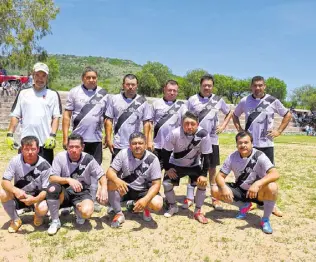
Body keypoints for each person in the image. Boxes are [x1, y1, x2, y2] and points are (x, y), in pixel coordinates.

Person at [233, 75, 292, 216]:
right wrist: (240, 130)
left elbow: (287, 114)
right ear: (251, 87)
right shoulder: (244, 101)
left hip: (267, 145)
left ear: (264, 86)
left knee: (268, 175)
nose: (258, 88)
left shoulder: (273, 101)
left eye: (260, 85)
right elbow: (235, 115)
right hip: (250, 146)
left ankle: (271, 204)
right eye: (255, 85)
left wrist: (278, 130)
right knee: (249, 175)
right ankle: (252, 202)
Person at [213, 131, 279, 234]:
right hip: (241, 190)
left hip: (258, 192)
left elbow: (275, 174)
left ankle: (265, 220)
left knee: (273, 187)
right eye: (240, 143)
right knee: (215, 190)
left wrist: (258, 184)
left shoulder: (260, 156)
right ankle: (244, 205)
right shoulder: (232, 157)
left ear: (252, 143)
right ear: (236, 144)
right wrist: (223, 187)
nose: (243, 145)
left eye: (246, 142)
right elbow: (219, 176)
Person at [62, 67, 109, 211]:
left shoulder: (104, 94)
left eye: (94, 77)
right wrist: (65, 137)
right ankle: (69, 199)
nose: (91, 80)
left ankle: (92, 199)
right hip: (77, 139)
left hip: (95, 139)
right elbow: (67, 116)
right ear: (83, 78)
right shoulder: (74, 92)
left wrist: (108, 136)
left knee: (94, 170)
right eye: (88, 77)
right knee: (73, 170)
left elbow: (107, 118)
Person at [46, 134, 108, 235]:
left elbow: (101, 175)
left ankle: (76, 208)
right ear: (67, 146)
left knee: (87, 212)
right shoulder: (60, 157)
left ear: (82, 147)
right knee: (52, 188)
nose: (74, 150)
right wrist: (68, 180)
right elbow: (52, 178)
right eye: (71, 147)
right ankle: (55, 221)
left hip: (81, 192)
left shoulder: (89, 159)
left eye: (77, 147)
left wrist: (104, 188)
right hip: (64, 191)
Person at [186, 74, 232, 210]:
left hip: (212, 140)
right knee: (194, 167)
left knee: (212, 169)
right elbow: (185, 116)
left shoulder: (218, 100)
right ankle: (189, 197)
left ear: (212, 86)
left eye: (209, 85)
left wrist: (223, 125)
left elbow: (229, 113)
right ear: (200, 86)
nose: (207, 88)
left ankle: (214, 198)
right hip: (195, 140)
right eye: (205, 85)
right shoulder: (192, 100)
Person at [6, 62, 62, 164]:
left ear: (47, 77)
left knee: (45, 176)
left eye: (43, 76)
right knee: (23, 176)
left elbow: (56, 117)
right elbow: (16, 115)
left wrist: (52, 136)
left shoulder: (53, 95)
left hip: (45, 143)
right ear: (33, 75)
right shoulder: (23, 93)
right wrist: (10, 134)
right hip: (26, 142)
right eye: (37, 75)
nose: (40, 79)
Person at [162, 111, 213, 224]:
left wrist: (204, 175)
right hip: (176, 164)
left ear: (198, 124)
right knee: (166, 183)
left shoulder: (204, 134)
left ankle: (198, 211)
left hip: (194, 165)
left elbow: (207, 156)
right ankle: (173, 206)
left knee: (202, 183)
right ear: (181, 124)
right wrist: (168, 168)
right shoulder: (174, 133)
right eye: (186, 124)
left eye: (192, 124)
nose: (189, 127)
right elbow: (165, 153)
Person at [106, 132, 163, 228]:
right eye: (134, 143)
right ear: (130, 145)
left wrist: (145, 200)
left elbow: (156, 184)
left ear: (145, 145)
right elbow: (109, 172)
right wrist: (117, 180)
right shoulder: (123, 153)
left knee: (157, 204)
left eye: (140, 143)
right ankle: (119, 213)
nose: (137, 146)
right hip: (126, 188)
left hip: (144, 190)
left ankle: (144, 208)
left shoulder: (153, 159)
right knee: (110, 183)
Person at [0, 136, 51, 233]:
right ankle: (15, 220)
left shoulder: (45, 165)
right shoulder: (15, 161)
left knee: (43, 207)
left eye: (33, 149)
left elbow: (45, 190)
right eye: (26, 149)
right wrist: (16, 191)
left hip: (37, 198)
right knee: (2, 193)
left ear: (38, 149)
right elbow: (4, 181)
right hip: (20, 195)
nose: (30, 152)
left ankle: (38, 215)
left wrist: (34, 199)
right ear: (21, 149)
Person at [105, 74, 152, 161]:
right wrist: (108, 138)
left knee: (135, 172)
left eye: (133, 84)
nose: (130, 87)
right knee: (115, 171)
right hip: (118, 144)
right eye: (128, 84)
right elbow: (109, 120)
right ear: (123, 85)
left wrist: (146, 141)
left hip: (136, 144)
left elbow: (146, 123)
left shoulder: (143, 101)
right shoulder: (114, 99)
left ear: (137, 86)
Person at [150, 79, 187, 167]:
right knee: (154, 175)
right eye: (169, 90)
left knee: (171, 176)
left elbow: (186, 123)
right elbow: (149, 123)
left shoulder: (182, 106)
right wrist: (148, 141)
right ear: (164, 89)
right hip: (157, 146)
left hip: (173, 147)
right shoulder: (156, 104)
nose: (172, 93)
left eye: (174, 91)